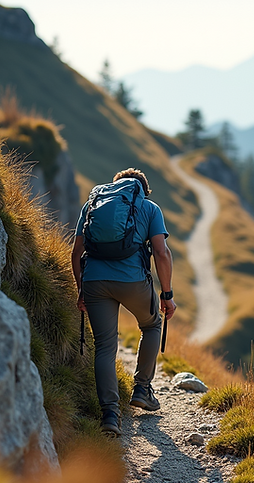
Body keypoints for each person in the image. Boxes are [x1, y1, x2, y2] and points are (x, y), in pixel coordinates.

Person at [71, 168, 177, 436]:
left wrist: (81, 290)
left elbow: (76, 253)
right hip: (133, 282)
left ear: (114, 187)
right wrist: (167, 295)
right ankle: (142, 388)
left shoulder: (93, 204)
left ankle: (109, 415)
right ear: (142, 189)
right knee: (152, 325)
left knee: (104, 346)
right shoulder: (150, 208)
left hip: (94, 282)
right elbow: (162, 254)